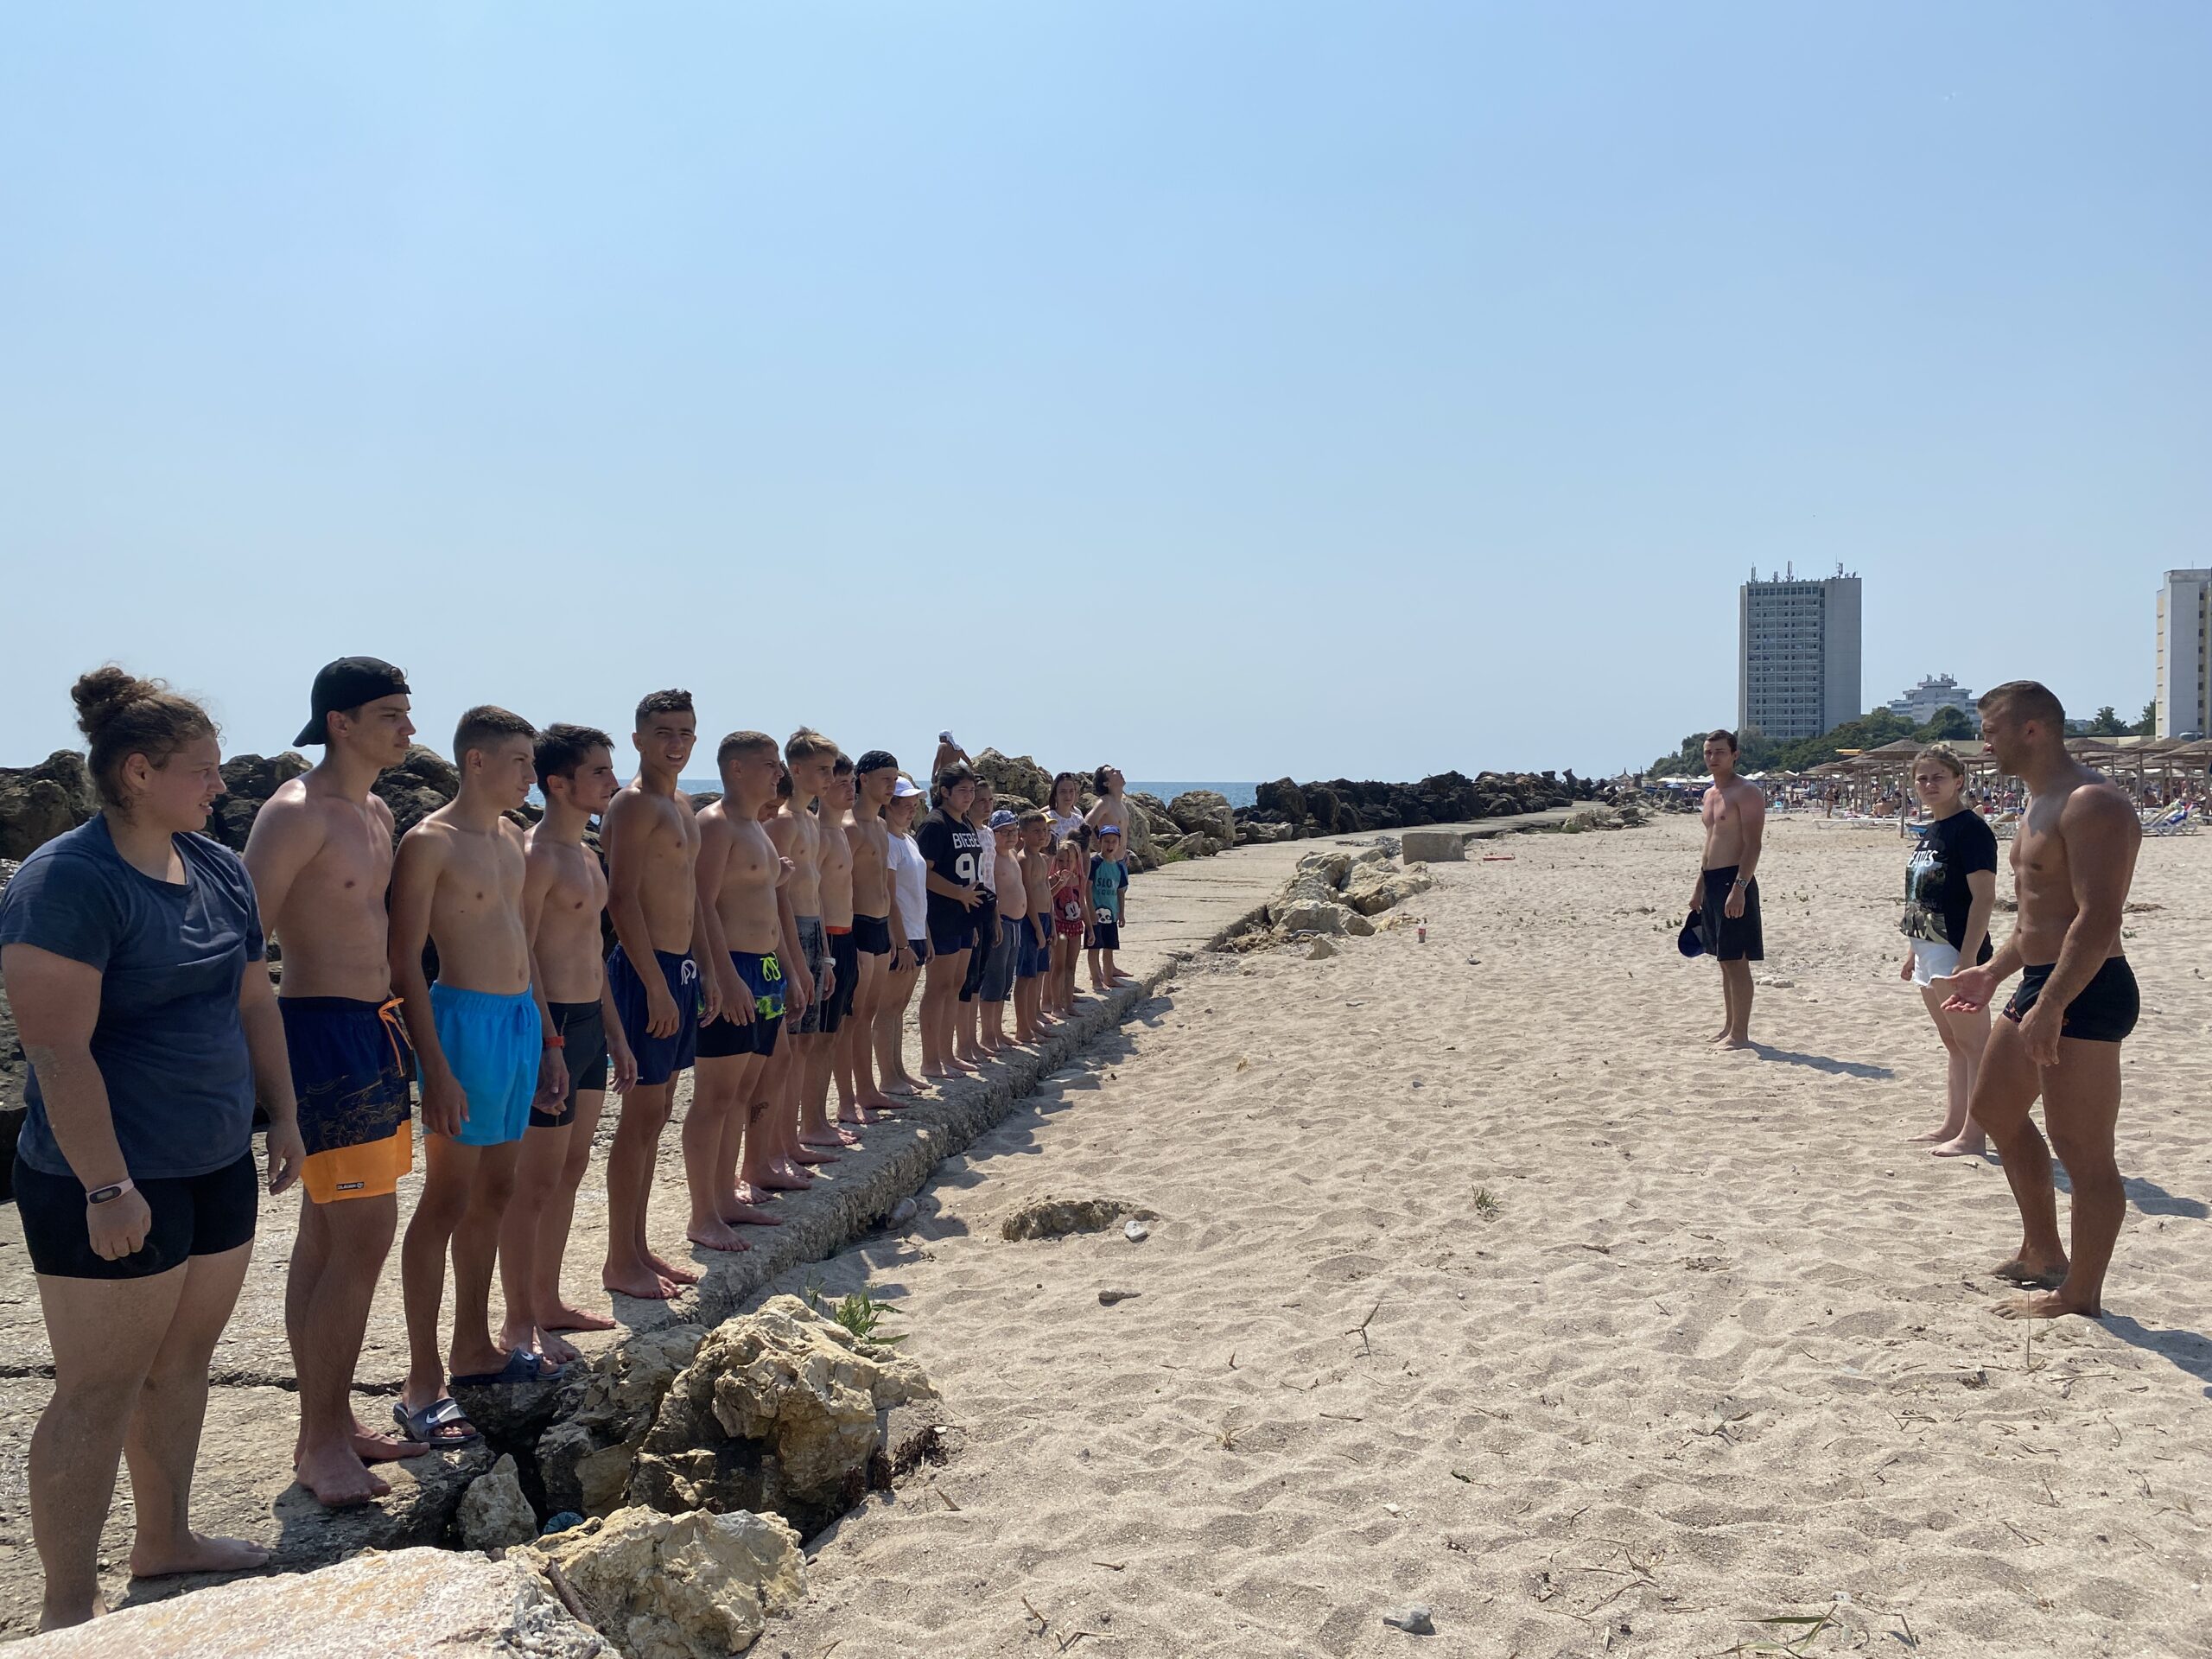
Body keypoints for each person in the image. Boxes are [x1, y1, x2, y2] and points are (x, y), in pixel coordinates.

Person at [0, 670, 306, 1627]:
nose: (218, 788)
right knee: (98, 1388)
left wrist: (284, 1114)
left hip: (214, 1161)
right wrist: (105, 1187)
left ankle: (165, 1540)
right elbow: (55, 1049)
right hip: (110, 1179)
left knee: (183, 1364)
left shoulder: (212, 863)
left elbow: (254, 995)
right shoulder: (66, 883)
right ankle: (65, 1611)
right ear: (138, 772)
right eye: (203, 772)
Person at [245, 655, 430, 1499]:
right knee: (359, 1238)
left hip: (373, 1035)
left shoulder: (378, 810)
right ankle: (318, 1441)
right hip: (321, 1039)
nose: (409, 728)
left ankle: (332, 1418)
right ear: (340, 724)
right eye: (392, 714)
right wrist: (269, 1089)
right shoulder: (295, 813)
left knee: (331, 1238)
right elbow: (245, 945)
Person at [390, 707, 565, 1447]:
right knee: (446, 1197)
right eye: (521, 762)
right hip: (462, 1024)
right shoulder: (430, 842)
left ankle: (472, 1348)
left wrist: (551, 1041)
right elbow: (405, 962)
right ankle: (421, 1379)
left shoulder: (511, 841)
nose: (532, 774)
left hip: (520, 1022)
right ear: (477, 762)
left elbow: (522, 941)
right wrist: (435, 1066)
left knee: (498, 1189)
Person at [1941, 681, 2143, 1320]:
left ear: (2033, 730)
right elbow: (2036, 920)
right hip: (2040, 980)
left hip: (2084, 986)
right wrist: (1993, 972)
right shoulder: (2036, 804)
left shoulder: (2092, 804)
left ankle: (2080, 1295)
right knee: (1995, 1107)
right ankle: (2042, 1251)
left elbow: (2097, 919)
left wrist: (2052, 1005)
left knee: (2082, 1150)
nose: (1985, 741)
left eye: (1992, 728)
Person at [499, 725, 636, 1367]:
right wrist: (550, 1037)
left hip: (587, 1024)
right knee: (534, 1181)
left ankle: (547, 1300)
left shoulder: (585, 852)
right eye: (600, 772)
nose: (613, 781)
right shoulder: (536, 856)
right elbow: (523, 952)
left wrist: (614, 1032)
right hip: (548, 1027)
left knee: (570, 1170)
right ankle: (517, 1320)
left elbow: (594, 951)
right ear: (559, 784)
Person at [599, 690, 715, 1300]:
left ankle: (639, 1248)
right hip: (646, 972)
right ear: (639, 738)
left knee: (661, 1109)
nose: (677, 743)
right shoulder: (635, 805)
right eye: (665, 732)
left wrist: (705, 974)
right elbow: (620, 900)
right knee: (640, 1118)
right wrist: (654, 987)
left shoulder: (683, 803)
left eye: (687, 733)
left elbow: (690, 896)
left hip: (679, 969)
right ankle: (620, 1259)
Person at [687, 731, 788, 1250]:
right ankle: (702, 1213)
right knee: (714, 1098)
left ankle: (726, 1197)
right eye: (768, 765)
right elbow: (700, 903)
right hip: (735, 969)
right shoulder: (716, 825)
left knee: (743, 1092)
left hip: (766, 969)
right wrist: (720, 975)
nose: (777, 773)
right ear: (737, 770)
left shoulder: (756, 827)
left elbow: (761, 895)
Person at [1896, 744, 1998, 1159]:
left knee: (1976, 1047)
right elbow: (1921, 897)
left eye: (1938, 777)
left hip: (1956, 949)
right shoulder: (1931, 830)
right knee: (1953, 1043)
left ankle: (1975, 1135)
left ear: (1958, 781)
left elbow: (1984, 898)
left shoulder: (1970, 830)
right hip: (1927, 949)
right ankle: (1952, 1125)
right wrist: (1911, 951)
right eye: (1922, 778)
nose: (1928, 784)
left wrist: (1969, 958)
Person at [772, 730, 839, 1168]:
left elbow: (817, 892)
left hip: (815, 931)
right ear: (795, 770)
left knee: (806, 1041)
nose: (830, 778)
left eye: (832, 769)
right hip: (790, 932)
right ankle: (777, 1143)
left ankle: (794, 1137)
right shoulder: (779, 821)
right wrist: (794, 960)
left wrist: (827, 956)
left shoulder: (813, 821)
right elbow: (774, 895)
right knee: (788, 1045)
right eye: (822, 770)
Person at [838, 751, 906, 1121]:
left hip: (880, 925)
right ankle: (849, 1098)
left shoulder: (880, 825)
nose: (891, 786)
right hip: (857, 926)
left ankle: (869, 1090)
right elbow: (837, 885)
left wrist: (895, 931)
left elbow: (883, 882)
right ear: (862, 779)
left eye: (894, 779)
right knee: (852, 1018)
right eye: (885, 779)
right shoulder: (849, 827)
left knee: (868, 1014)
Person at [1688, 729, 1765, 1049]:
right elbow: (1709, 845)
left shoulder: (1746, 792)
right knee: (1723, 958)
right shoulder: (1709, 795)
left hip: (1736, 879)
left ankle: (1741, 1034)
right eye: (1708, 752)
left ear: (1735, 755)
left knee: (1737, 960)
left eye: (1720, 752)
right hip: (1713, 881)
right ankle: (1728, 1026)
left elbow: (1752, 845)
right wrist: (1699, 888)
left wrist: (1739, 888)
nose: (1712, 758)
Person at [916, 764, 982, 1078]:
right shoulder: (935, 824)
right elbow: (924, 873)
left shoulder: (966, 823)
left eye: (972, 791)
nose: (969, 797)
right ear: (944, 792)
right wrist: (957, 893)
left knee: (957, 984)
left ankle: (947, 1053)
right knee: (938, 986)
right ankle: (930, 1060)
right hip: (941, 915)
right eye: (963, 791)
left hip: (966, 917)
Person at [812, 754, 862, 1146]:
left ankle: (827, 1113)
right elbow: (809, 897)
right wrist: (825, 955)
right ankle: (811, 1121)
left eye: (851, 783)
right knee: (816, 1037)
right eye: (842, 783)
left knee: (835, 1030)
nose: (850, 790)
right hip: (825, 938)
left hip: (847, 936)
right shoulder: (815, 833)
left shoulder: (841, 833)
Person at [877, 777, 931, 1095]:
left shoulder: (909, 840)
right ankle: (888, 1075)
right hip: (900, 935)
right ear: (889, 804)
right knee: (888, 1008)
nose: (910, 809)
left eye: (914, 803)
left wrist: (925, 935)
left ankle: (898, 1071)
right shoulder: (887, 842)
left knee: (900, 1006)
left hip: (916, 930)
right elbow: (890, 896)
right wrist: (901, 943)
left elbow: (917, 894)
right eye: (904, 803)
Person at [956, 778, 1000, 1063]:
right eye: (979, 799)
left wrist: (995, 916)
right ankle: (964, 1043)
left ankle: (971, 1041)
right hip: (969, 905)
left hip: (987, 905)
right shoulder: (966, 830)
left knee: (979, 977)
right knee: (967, 980)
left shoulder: (989, 833)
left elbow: (991, 876)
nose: (985, 805)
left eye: (988, 800)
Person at [1084, 767, 1138, 985]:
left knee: (1113, 915)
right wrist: (1095, 852)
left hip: (1119, 864)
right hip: (1104, 864)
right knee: (1101, 914)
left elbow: (1122, 835)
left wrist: (1124, 855)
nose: (1120, 772)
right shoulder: (1104, 802)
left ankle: (1110, 967)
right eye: (1113, 771)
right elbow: (1086, 824)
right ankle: (1096, 971)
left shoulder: (1122, 804)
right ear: (1106, 783)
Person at [978, 810, 1025, 1050]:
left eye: (1013, 831)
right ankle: (987, 1034)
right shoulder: (992, 857)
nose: (1010, 836)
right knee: (994, 980)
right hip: (1002, 922)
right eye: (1004, 832)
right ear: (993, 834)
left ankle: (997, 1030)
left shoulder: (1013, 854)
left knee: (1007, 979)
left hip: (1017, 924)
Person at [1014, 809, 1056, 1040]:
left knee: (1039, 973)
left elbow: (1046, 891)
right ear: (1022, 834)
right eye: (1036, 831)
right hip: (1030, 922)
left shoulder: (1042, 858)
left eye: (1045, 831)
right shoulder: (1024, 859)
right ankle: (1023, 1027)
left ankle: (1033, 1019)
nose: (1042, 835)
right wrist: (1039, 930)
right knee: (1026, 975)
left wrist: (1051, 923)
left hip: (1044, 918)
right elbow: (1028, 895)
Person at [1087, 825, 1130, 988]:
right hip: (1095, 913)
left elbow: (1121, 891)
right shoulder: (1095, 863)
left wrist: (1121, 913)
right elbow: (1088, 888)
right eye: (1106, 841)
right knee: (1094, 946)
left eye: (1113, 842)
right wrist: (1089, 911)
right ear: (1100, 842)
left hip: (1111, 913)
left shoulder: (1119, 867)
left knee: (1109, 946)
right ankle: (1096, 979)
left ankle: (1108, 976)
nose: (1110, 845)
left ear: (1119, 844)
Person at [1050, 836, 1088, 1016]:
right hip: (1060, 926)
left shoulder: (1079, 879)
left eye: (1069, 861)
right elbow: (1048, 897)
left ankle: (1069, 1003)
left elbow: (1082, 903)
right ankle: (1056, 1005)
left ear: (1076, 862)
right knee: (1058, 966)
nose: (1065, 864)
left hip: (1075, 926)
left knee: (1071, 967)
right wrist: (1060, 883)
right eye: (1061, 860)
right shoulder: (1053, 878)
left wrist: (1090, 927)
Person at [1046, 772, 1087, 847]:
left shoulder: (1079, 820)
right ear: (1055, 795)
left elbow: (1085, 850)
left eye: (1071, 791)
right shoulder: (1048, 819)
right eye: (1063, 792)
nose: (1068, 796)